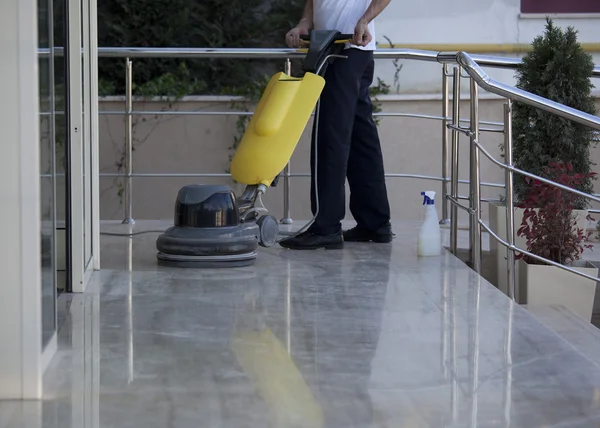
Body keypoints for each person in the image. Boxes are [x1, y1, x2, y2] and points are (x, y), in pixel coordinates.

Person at [279, 0, 394, 250]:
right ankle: (374, 222)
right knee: (360, 137)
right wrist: (305, 23)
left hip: (345, 46)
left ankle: (326, 226)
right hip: (334, 45)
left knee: (330, 136)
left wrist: (365, 20)